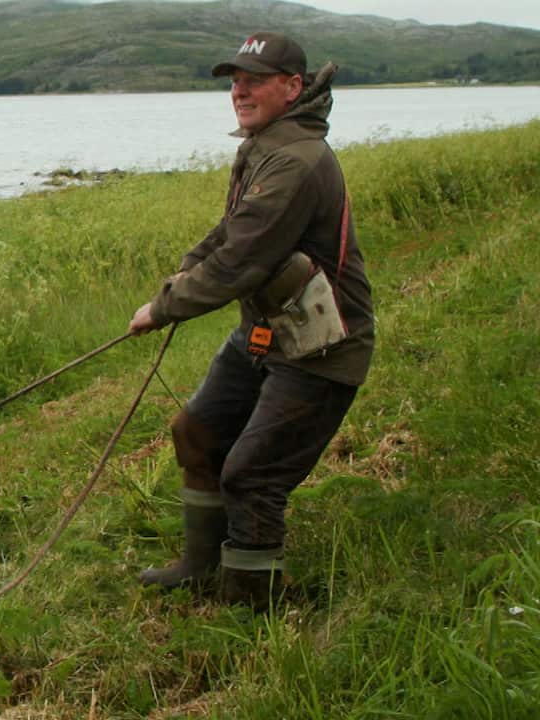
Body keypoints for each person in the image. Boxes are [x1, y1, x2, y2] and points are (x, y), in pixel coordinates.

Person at [128, 32, 375, 610]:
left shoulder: (293, 158)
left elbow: (240, 261)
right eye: (235, 79)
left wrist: (164, 308)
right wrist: (181, 276)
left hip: (321, 346)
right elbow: (229, 233)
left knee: (251, 474)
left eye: (255, 79)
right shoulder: (266, 143)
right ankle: (199, 566)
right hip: (268, 331)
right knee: (197, 432)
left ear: (293, 87)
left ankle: (252, 605)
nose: (239, 89)